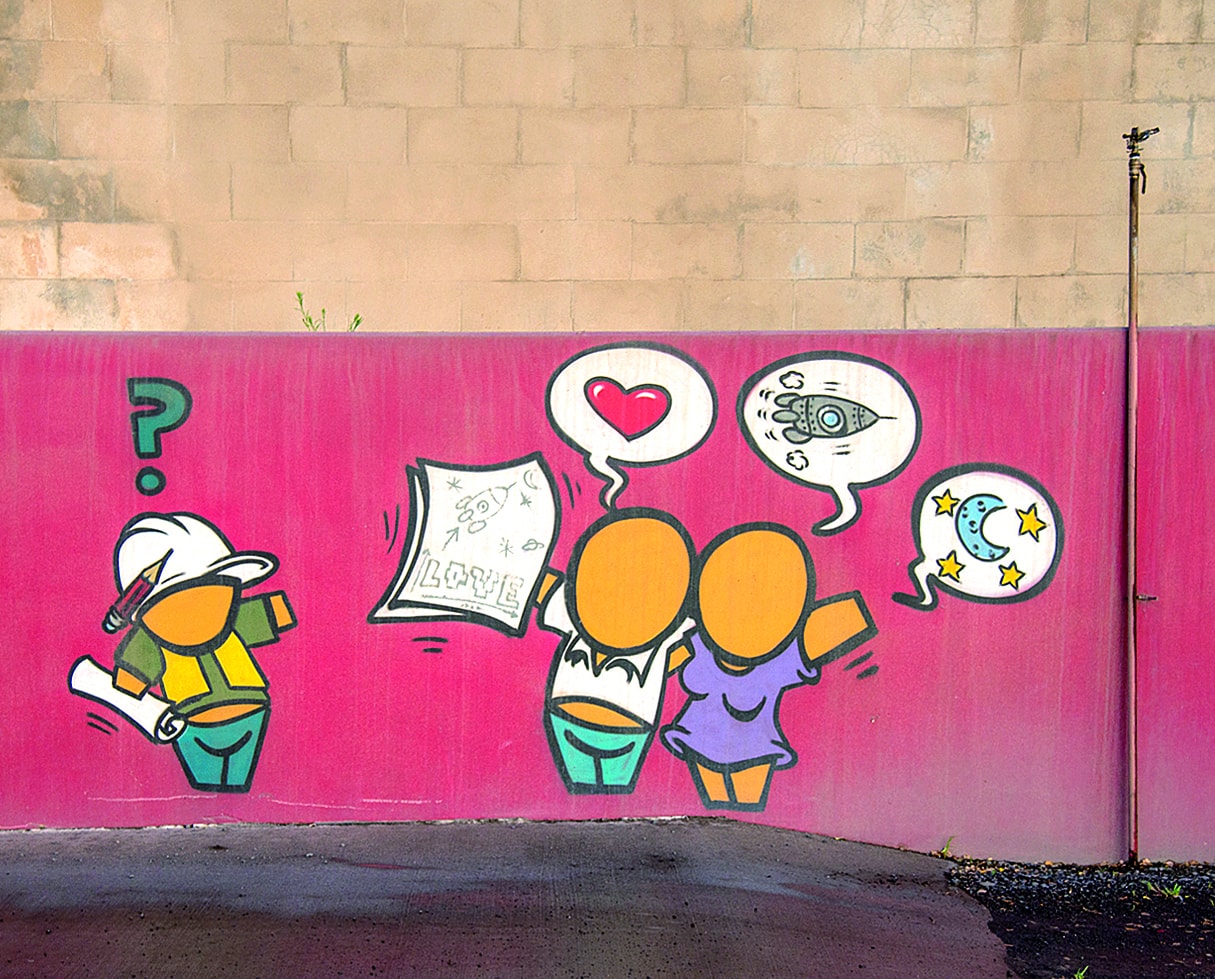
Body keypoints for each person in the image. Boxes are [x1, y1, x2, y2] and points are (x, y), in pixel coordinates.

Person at [662, 523, 875, 811]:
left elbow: (845, 619)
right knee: (716, 809)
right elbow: (659, 663)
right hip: (697, 737)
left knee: (743, 809)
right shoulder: (698, 642)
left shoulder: (781, 654)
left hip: (755, 747)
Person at [106, 513, 296, 793]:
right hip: (191, 721)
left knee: (235, 778)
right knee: (209, 781)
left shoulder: (232, 618)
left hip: (250, 710)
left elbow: (277, 612)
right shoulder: (148, 640)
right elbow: (128, 681)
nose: (199, 605)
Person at [539, 508, 695, 794]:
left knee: (609, 784)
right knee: (586, 784)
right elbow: (543, 587)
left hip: (626, 726)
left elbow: (689, 647)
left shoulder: (665, 630)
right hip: (572, 716)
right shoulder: (577, 605)